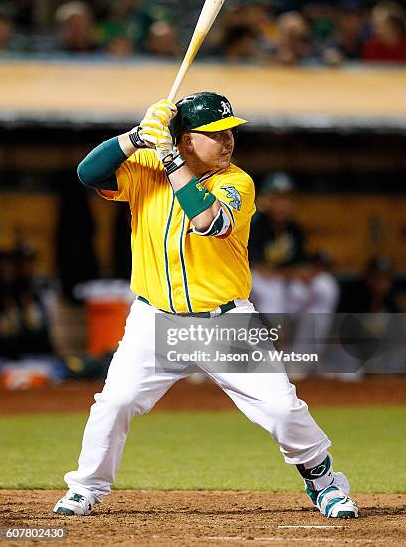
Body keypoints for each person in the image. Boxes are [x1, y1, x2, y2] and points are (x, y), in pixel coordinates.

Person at [53, 92, 358, 519]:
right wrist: (135, 137)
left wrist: (169, 160)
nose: (228, 140)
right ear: (183, 140)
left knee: (280, 410)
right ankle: (86, 488)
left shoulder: (237, 182)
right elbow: (88, 172)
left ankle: (325, 483)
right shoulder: (145, 171)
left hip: (225, 322)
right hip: (154, 320)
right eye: (215, 133)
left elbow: (208, 221)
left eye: (230, 131)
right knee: (115, 402)